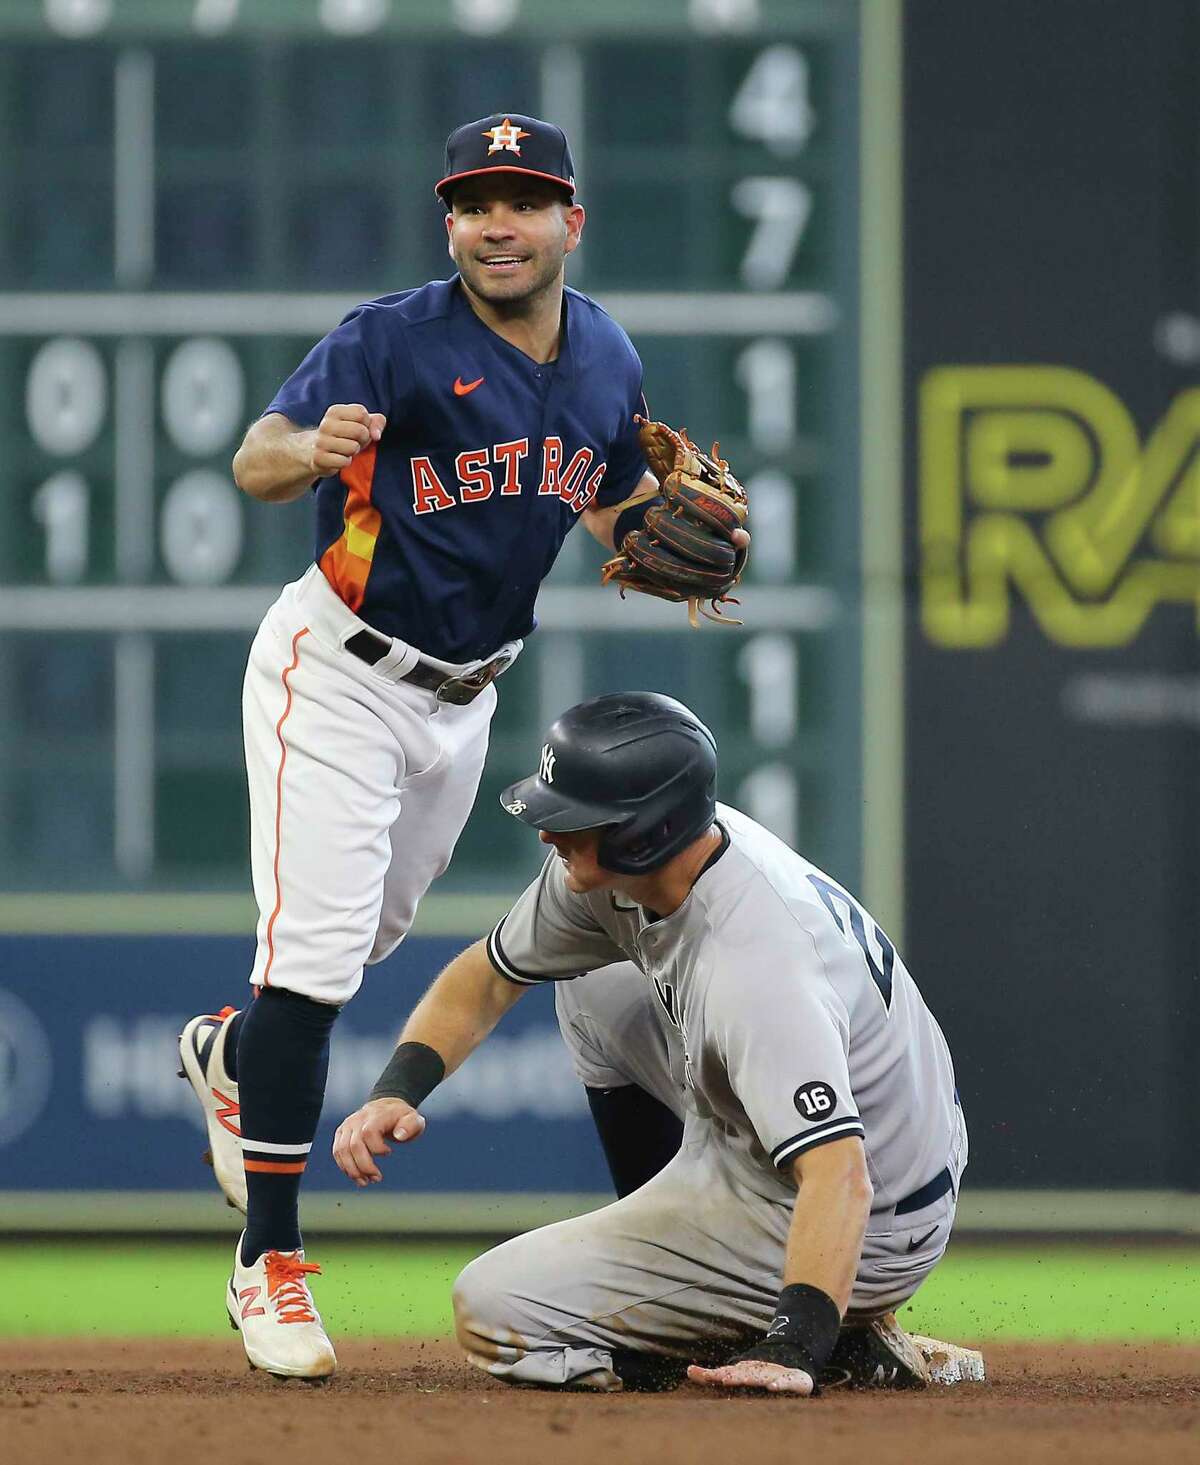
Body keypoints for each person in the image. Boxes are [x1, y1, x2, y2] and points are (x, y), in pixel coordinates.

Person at [176, 114, 708, 1381]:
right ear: (449, 222)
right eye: (475, 203)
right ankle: (271, 1259)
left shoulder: (606, 358)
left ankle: (233, 1056)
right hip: (340, 666)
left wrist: (654, 536)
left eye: (524, 201)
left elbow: (607, 499)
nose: (498, 224)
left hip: (465, 699)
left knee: (360, 943)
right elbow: (255, 457)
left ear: (572, 222)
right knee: (311, 959)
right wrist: (313, 448)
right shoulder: (392, 338)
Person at [332, 691, 983, 1395]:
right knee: (589, 985)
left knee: (492, 1307)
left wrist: (796, 1346)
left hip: (870, 1214)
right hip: (827, 1131)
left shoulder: (760, 965)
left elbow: (839, 1174)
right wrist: (395, 1089)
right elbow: (486, 978)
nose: (549, 835)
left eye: (573, 820)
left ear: (644, 832)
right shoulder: (638, 870)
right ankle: (681, 1274)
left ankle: (840, 1339)